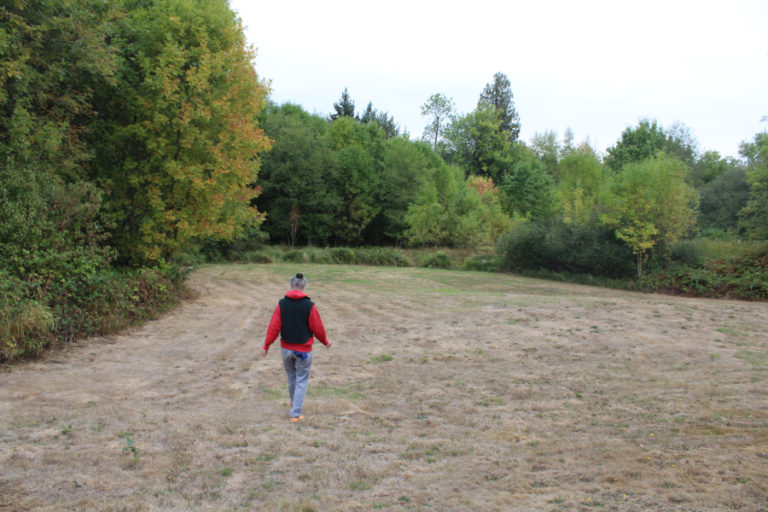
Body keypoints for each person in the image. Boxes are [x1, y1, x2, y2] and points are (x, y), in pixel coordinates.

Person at [262, 272, 331, 422]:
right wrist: (325, 341)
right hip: (303, 351)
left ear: (291, 285)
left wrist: (266, 345)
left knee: (292, 377)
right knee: (301, 380)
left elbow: (274, 327)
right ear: (303, 286)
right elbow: (317, 327)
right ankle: (295, 413)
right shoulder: (309, 306)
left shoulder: (282, 304)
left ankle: (294, 404)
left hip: (286, 349)